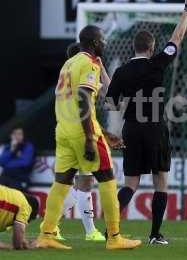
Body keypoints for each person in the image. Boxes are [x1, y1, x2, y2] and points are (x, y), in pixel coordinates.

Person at [36, 26, 141, 250]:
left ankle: (46, 233)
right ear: (94, 42)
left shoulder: (68, 64)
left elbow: (78, 103)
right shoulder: (88, 63)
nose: (104, 42)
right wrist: (91, 138)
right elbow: (84, 99)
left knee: (62, 182)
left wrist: (103, 132)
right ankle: (114, 237)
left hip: (63, 130)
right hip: (82, 132)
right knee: (107, 179)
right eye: (102, 39)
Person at [106, 0, 187, 245]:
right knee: (161, 182)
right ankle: (155, 234)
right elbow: (178, 37)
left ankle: (112, 230)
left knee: (130, 183)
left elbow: (110, 103)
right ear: (152, 47)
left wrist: (119, 90)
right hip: (155, 128)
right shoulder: (158, 63)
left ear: (133, 47)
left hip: (131, 129)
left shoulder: (122, 72)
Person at [0, 185, 39, 249]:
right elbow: (19, 229)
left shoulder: (16, 196)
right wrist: (15, 246)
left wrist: (23, 240)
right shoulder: (26, 206)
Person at [0, 126, 35, 192]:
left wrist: (8, 163)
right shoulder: (8, 147)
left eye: (19, 134)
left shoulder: (28, 146)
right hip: (5, 177)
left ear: (23, 136)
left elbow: (25, 162)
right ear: (11, 136)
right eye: (15, 134)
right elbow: (1, 162)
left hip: (20, 179)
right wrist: (12, 149)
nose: (17, 136)